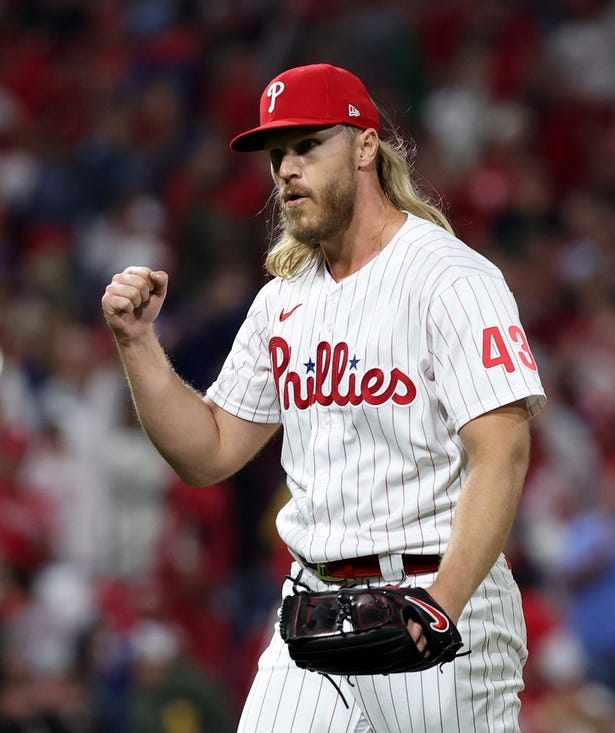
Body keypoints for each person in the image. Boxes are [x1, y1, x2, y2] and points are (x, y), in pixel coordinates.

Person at [101, 63, 546, 732]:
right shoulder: (284, 299)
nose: (286, 169)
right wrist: (137, 343)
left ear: (366, 145)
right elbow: (210, 451)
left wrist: (442, 601)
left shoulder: (448, 277)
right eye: (278, 154)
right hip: (313, 612)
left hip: (432, 593)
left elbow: (503, 452)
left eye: (309, 145)